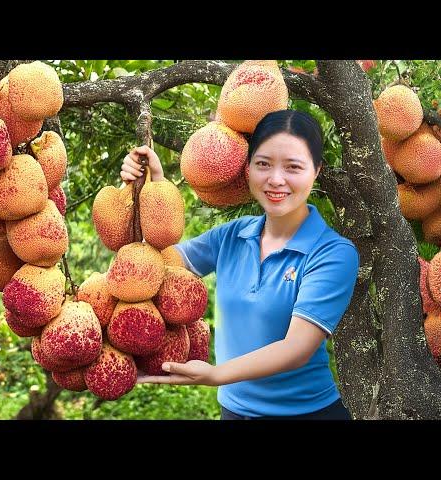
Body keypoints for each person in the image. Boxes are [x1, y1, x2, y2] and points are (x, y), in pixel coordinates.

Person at [119, 110, 359, 420]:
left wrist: (216, 375)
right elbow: (158, 265)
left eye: (293, 167)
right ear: (247, 170)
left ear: (316, 171)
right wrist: (154, 187)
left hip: (307, 413)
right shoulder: (232, 235)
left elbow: (297, 348)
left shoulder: (333, 252)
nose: (276, 179)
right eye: (263, 164)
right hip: (233, 412)